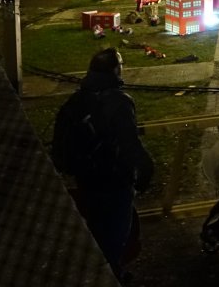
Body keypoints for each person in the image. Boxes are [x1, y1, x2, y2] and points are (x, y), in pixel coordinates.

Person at [58, 48, 154, 279]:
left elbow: (61, 149)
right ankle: (110, 275)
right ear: (115, 70)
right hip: (115, 181)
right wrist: (145, 172)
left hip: (87, 181)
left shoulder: (75, 101)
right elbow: (128, 143)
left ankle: (111, 271)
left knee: (97, 232)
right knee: (116, 235)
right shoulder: (120, 102)